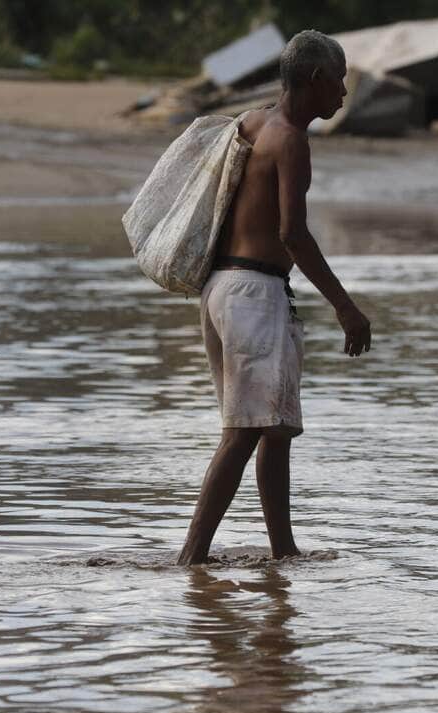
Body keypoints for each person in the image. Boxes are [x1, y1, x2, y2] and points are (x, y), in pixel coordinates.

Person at [177, 30, 372, 566]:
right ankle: (191, 558)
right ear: (315, 79)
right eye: (340, 79)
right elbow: (293, 234)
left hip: (226, 289)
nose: (343, 92)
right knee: (243, 432)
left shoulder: (253, 119)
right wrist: (345, 306)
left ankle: (282, 555)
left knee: (274, 428)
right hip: (252, 294)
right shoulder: (289, 139)